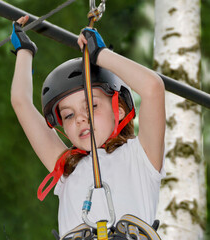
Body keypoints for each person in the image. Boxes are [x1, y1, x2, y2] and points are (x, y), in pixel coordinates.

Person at [10, 16, 166, 237]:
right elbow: (21, 103)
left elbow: (153, 88)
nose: (80, 119)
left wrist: (101, 55)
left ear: (119, 110)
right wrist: (24, 52)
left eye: (91, 105)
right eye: (69, 115)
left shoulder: (141, 157)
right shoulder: (67, 169)